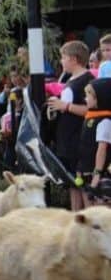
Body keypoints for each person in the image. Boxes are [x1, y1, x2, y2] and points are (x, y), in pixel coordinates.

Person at [46, 40, 94, 211]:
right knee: (72, 183)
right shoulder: (70, 79)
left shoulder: (88, 81)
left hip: (79, 141)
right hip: (66, 141)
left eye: (63, 57)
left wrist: (65, 106)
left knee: (83, 184)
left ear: (74, 59)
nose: (61, 61)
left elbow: (90, 110)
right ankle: (75, 217)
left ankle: (89, 217)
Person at [79, 78, 111, 207]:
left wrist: (97, 174)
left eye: (88, 95)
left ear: (100, 98)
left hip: (99, 174)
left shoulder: (105, 121)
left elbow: (102, 149)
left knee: (101, 210)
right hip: (87, 171)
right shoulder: (91, 117)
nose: (85, 98)